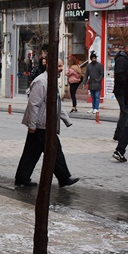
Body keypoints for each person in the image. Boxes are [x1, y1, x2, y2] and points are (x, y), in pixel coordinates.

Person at [15, 58, 80, 188]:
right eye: (59, 66)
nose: (61, 69)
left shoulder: (50, 81)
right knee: (54, 149)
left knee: (31, 152)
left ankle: (22, 177)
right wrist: (32, 124)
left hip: (43, 123)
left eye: (62, 66)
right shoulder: (41, 81)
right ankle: (64, 177)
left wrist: (66, 120)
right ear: (51, 65)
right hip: (41, 124)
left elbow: (55, 104)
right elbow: (34, 104)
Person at [112, 43, 128, 143]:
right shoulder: (122, 60)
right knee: (125, 112)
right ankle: (120, 135)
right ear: (127, 49)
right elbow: (120, 75)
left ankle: (120, 134)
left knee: (126, 112)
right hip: (121, 90)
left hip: (126, 91)